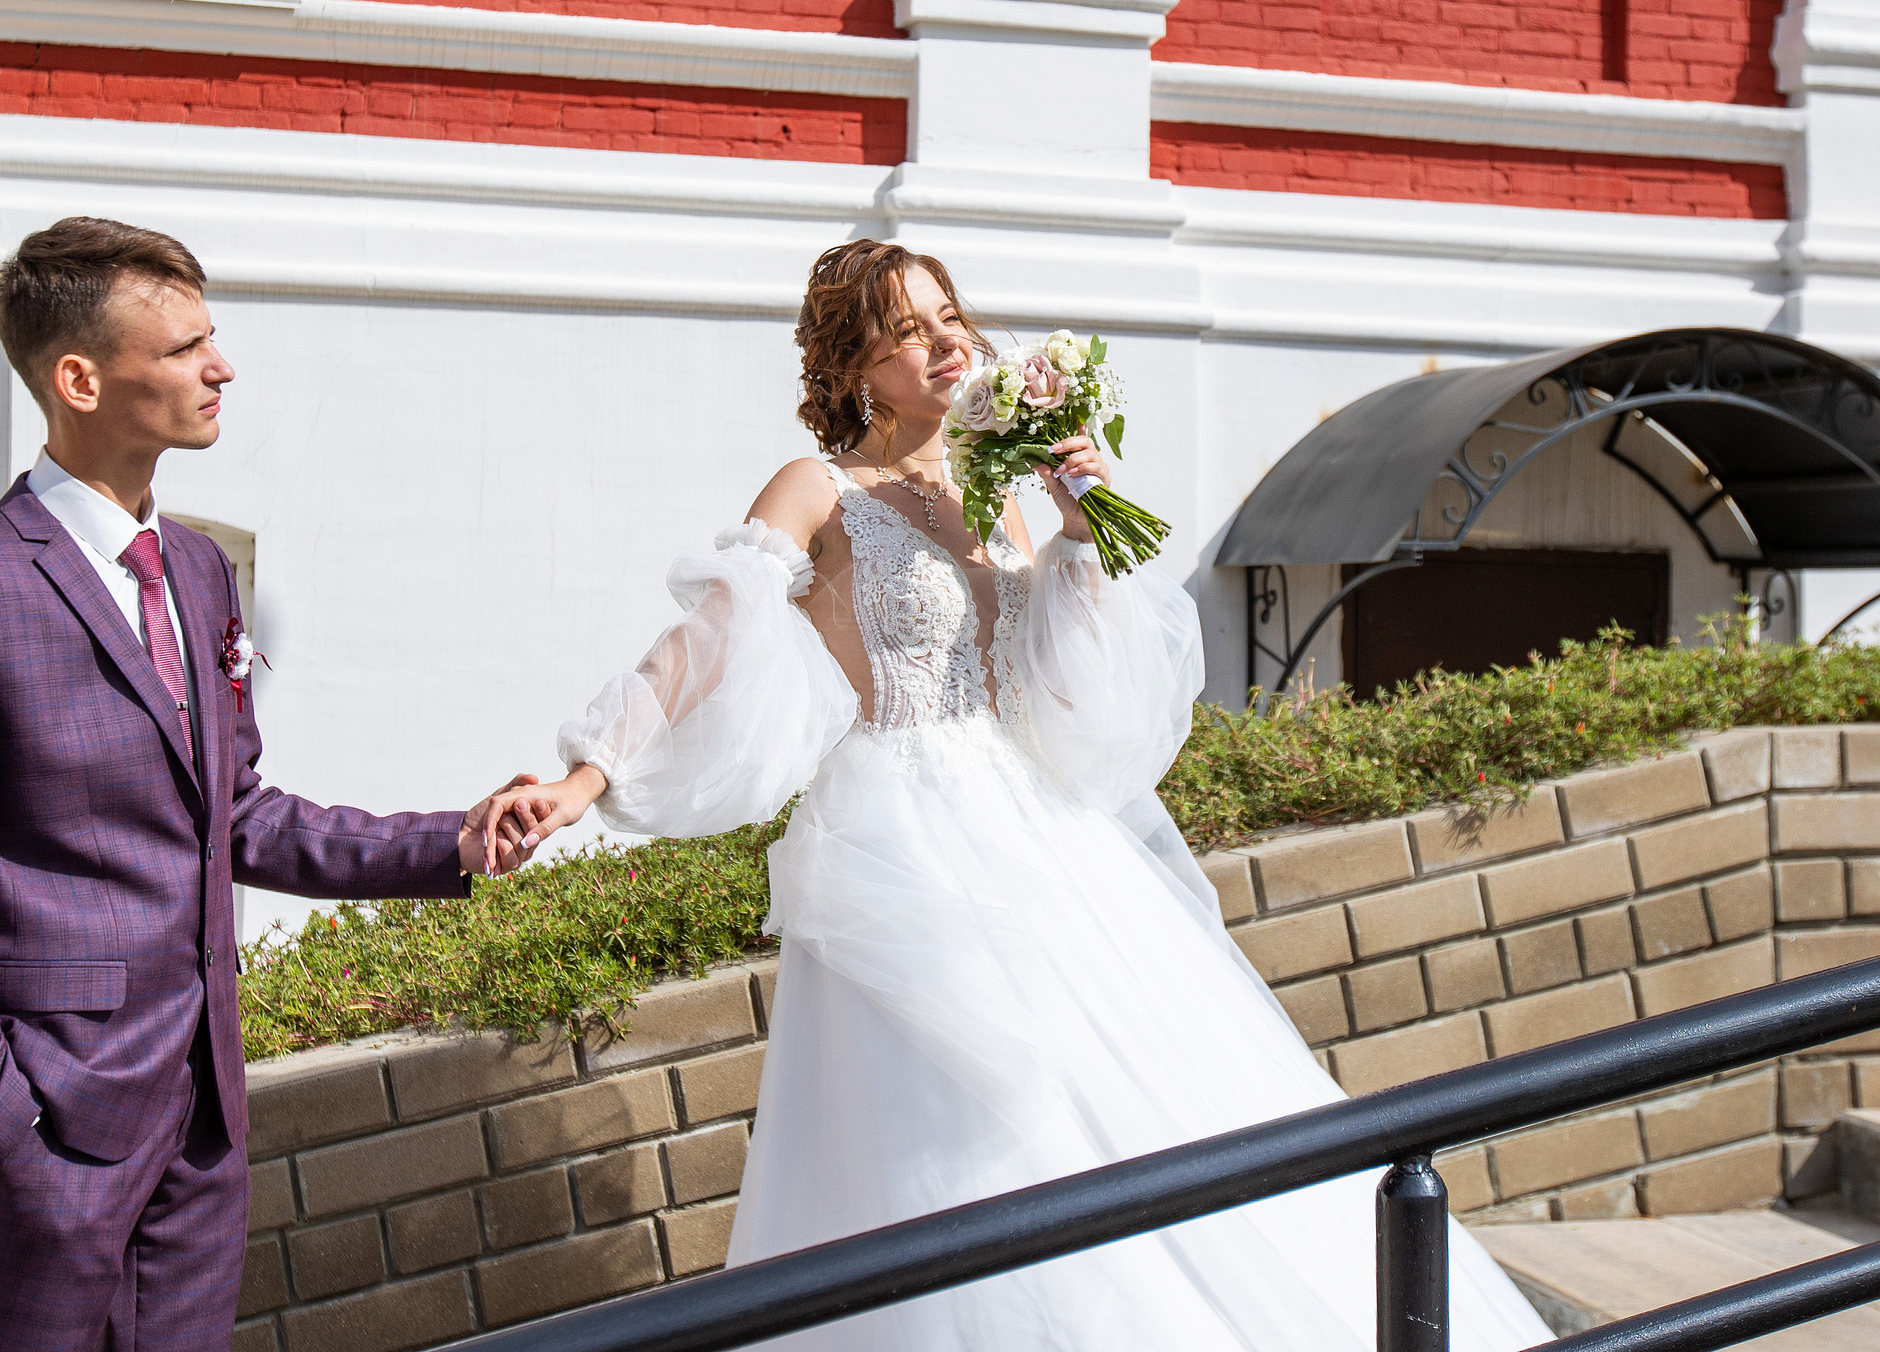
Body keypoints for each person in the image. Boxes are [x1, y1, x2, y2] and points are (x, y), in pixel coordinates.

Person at [498, 239, 1552, 1350]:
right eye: (907, 327)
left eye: (949, 314)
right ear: (856, 365)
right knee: (962, 1119)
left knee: (1134, 1086)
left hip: (1034, 824)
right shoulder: (819, 488)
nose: (945, 338)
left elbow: (1062, 687)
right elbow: (709, 637)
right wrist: (586, 772)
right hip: (899, 837)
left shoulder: (999, 483)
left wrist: (1083, 522)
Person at [0, 217, 540, 1352]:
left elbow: (236, 814)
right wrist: (7, 1132)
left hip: (204, 1136)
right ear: (79, 377)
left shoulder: (201, 568)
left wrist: (449, 841)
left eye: (211, 339)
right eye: (182, 348)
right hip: (45, 1149)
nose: (221, 366)